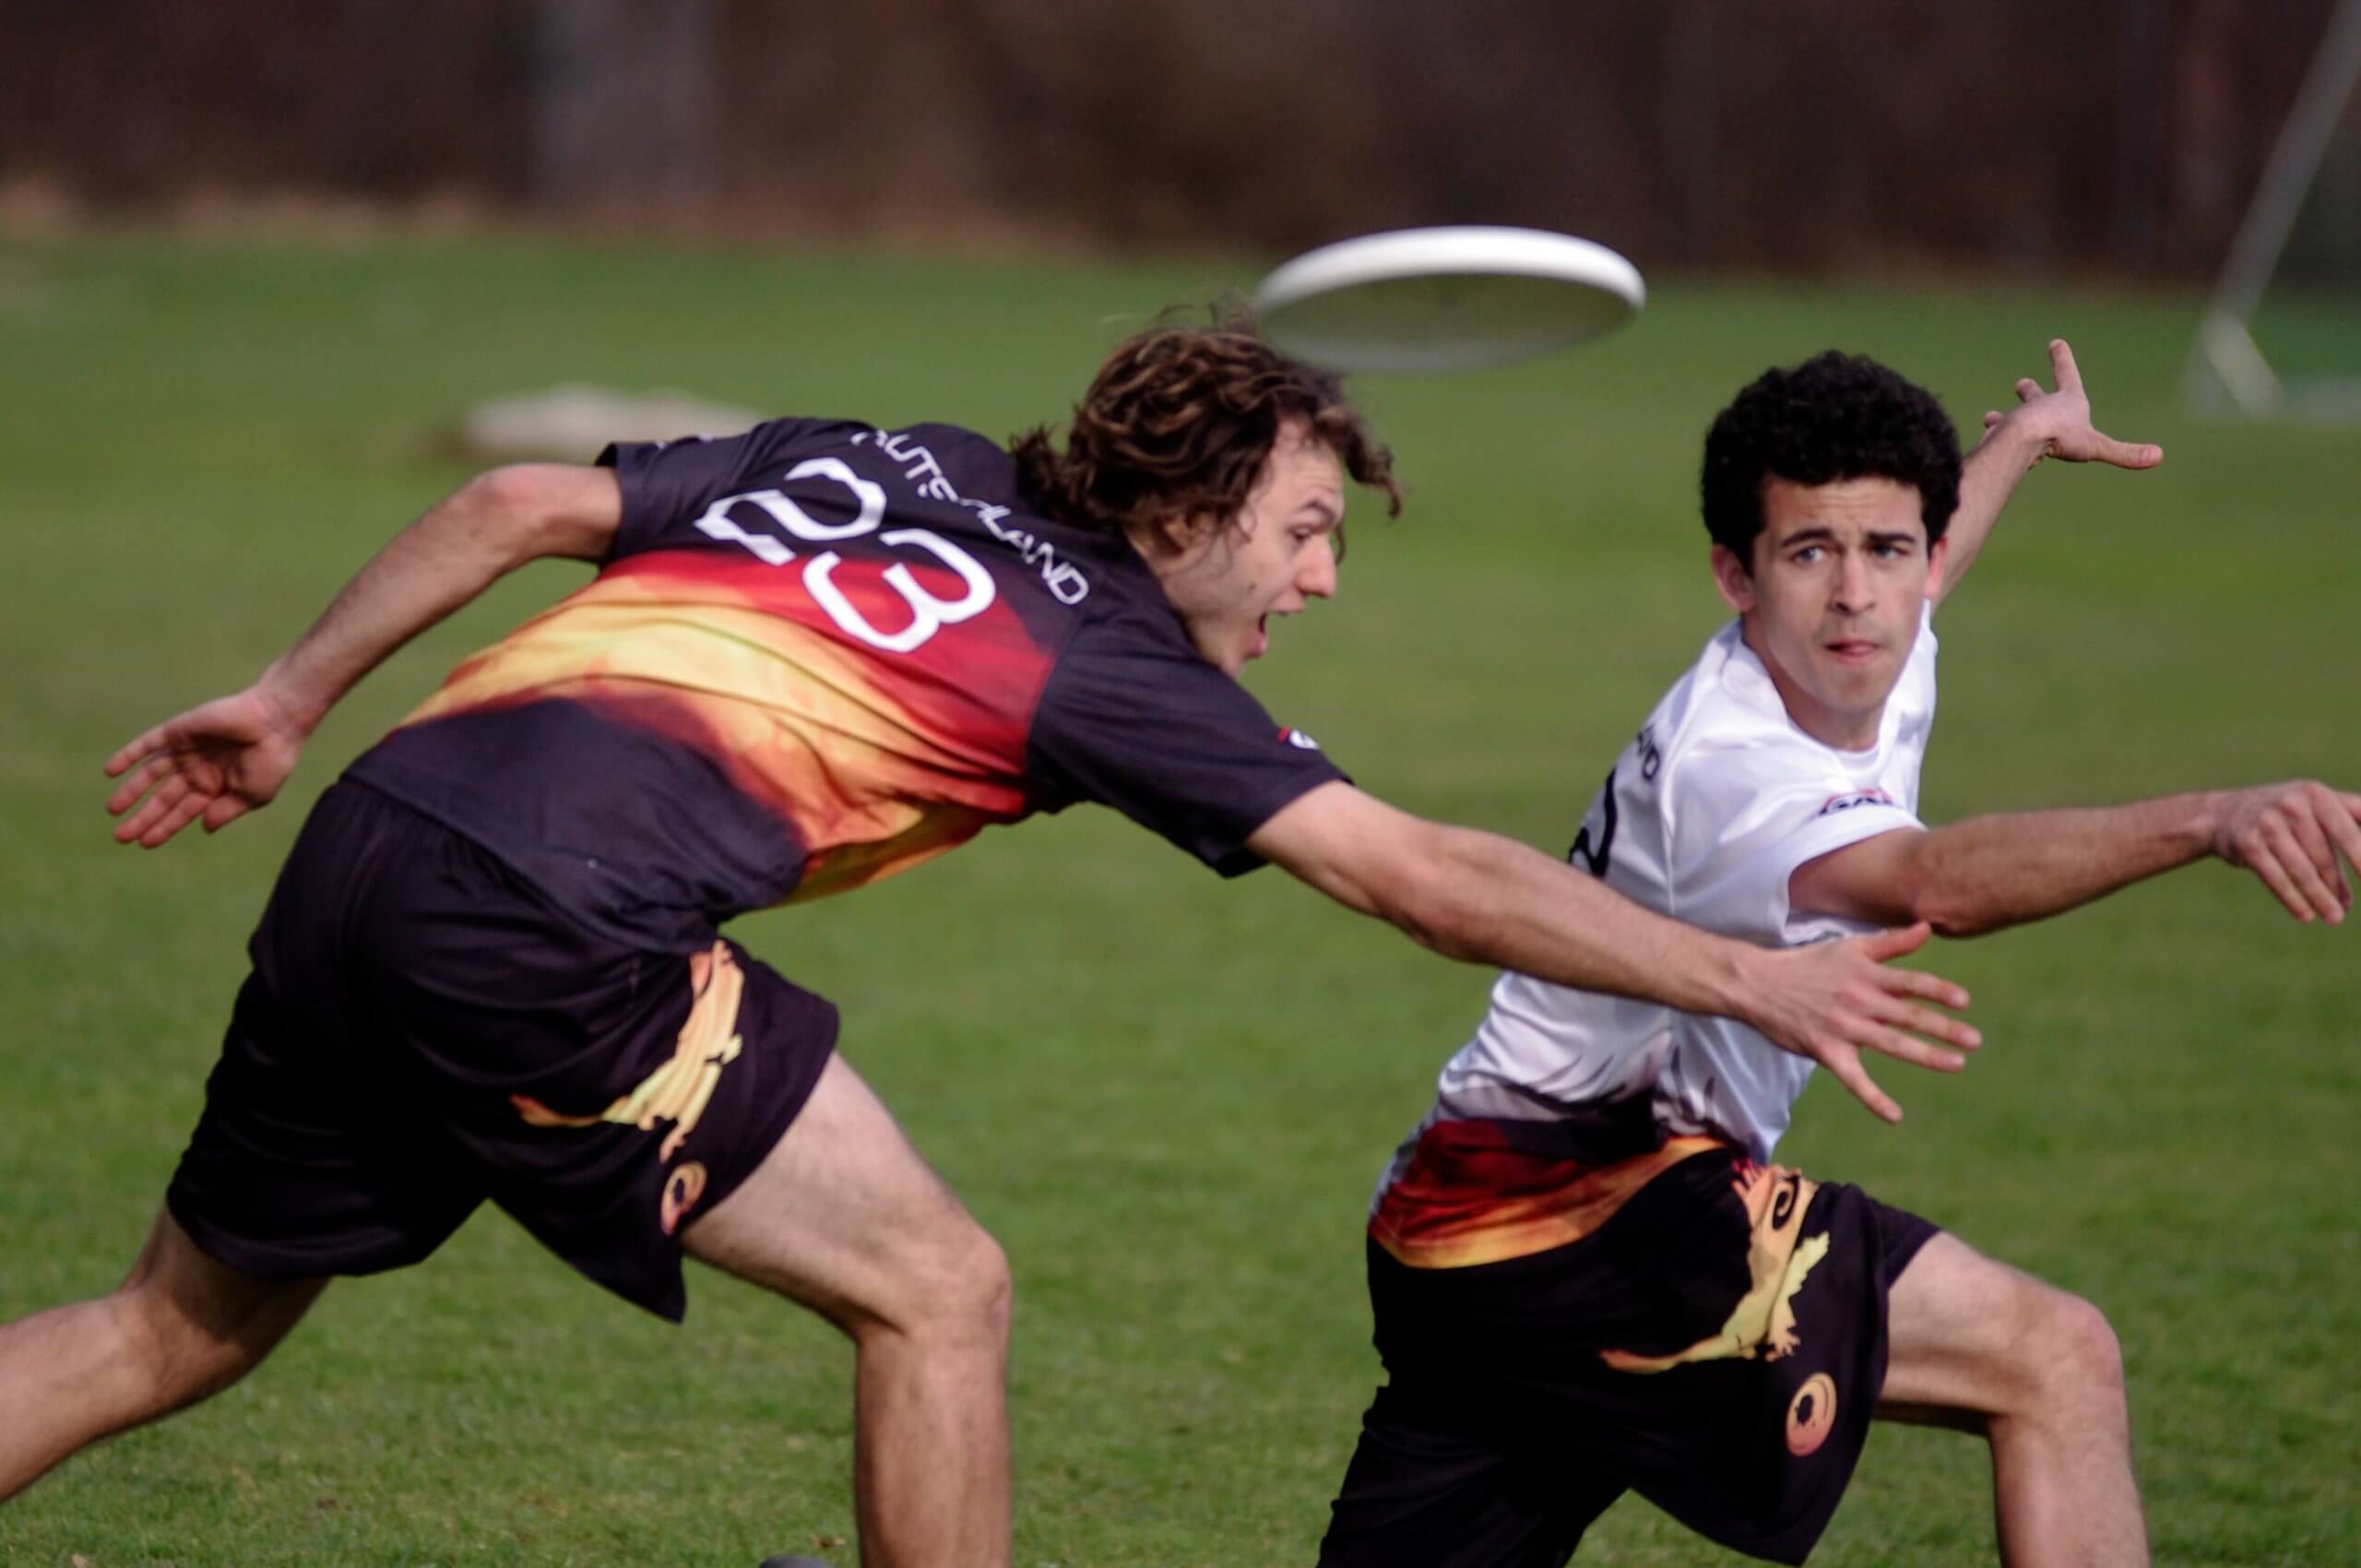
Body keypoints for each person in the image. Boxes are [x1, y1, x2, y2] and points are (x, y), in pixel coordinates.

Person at [0, 318, 1981, 1568]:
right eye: (1298, 526)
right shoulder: (1108, 662)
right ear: (1192, 504)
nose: (1313, 576)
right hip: (552, 922)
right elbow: (1408, 872)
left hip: (370, 835)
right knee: (940, 1291)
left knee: (167, 1331)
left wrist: (278, 698)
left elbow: (524, 496)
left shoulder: (907, 457)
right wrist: (1737, 970)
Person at [1316, 341, 2361, 1568]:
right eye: (1809, 554)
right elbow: (1927, 884)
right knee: (2052, 1356)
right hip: (1584, 1208)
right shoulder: (1733, 764)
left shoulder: (1872, 636)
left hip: (1453, 1230)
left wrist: (2019, 443)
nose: (1857, 595)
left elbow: (1926, 549)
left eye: (1889, 552)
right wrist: (2211, 820)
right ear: (1735, 576)